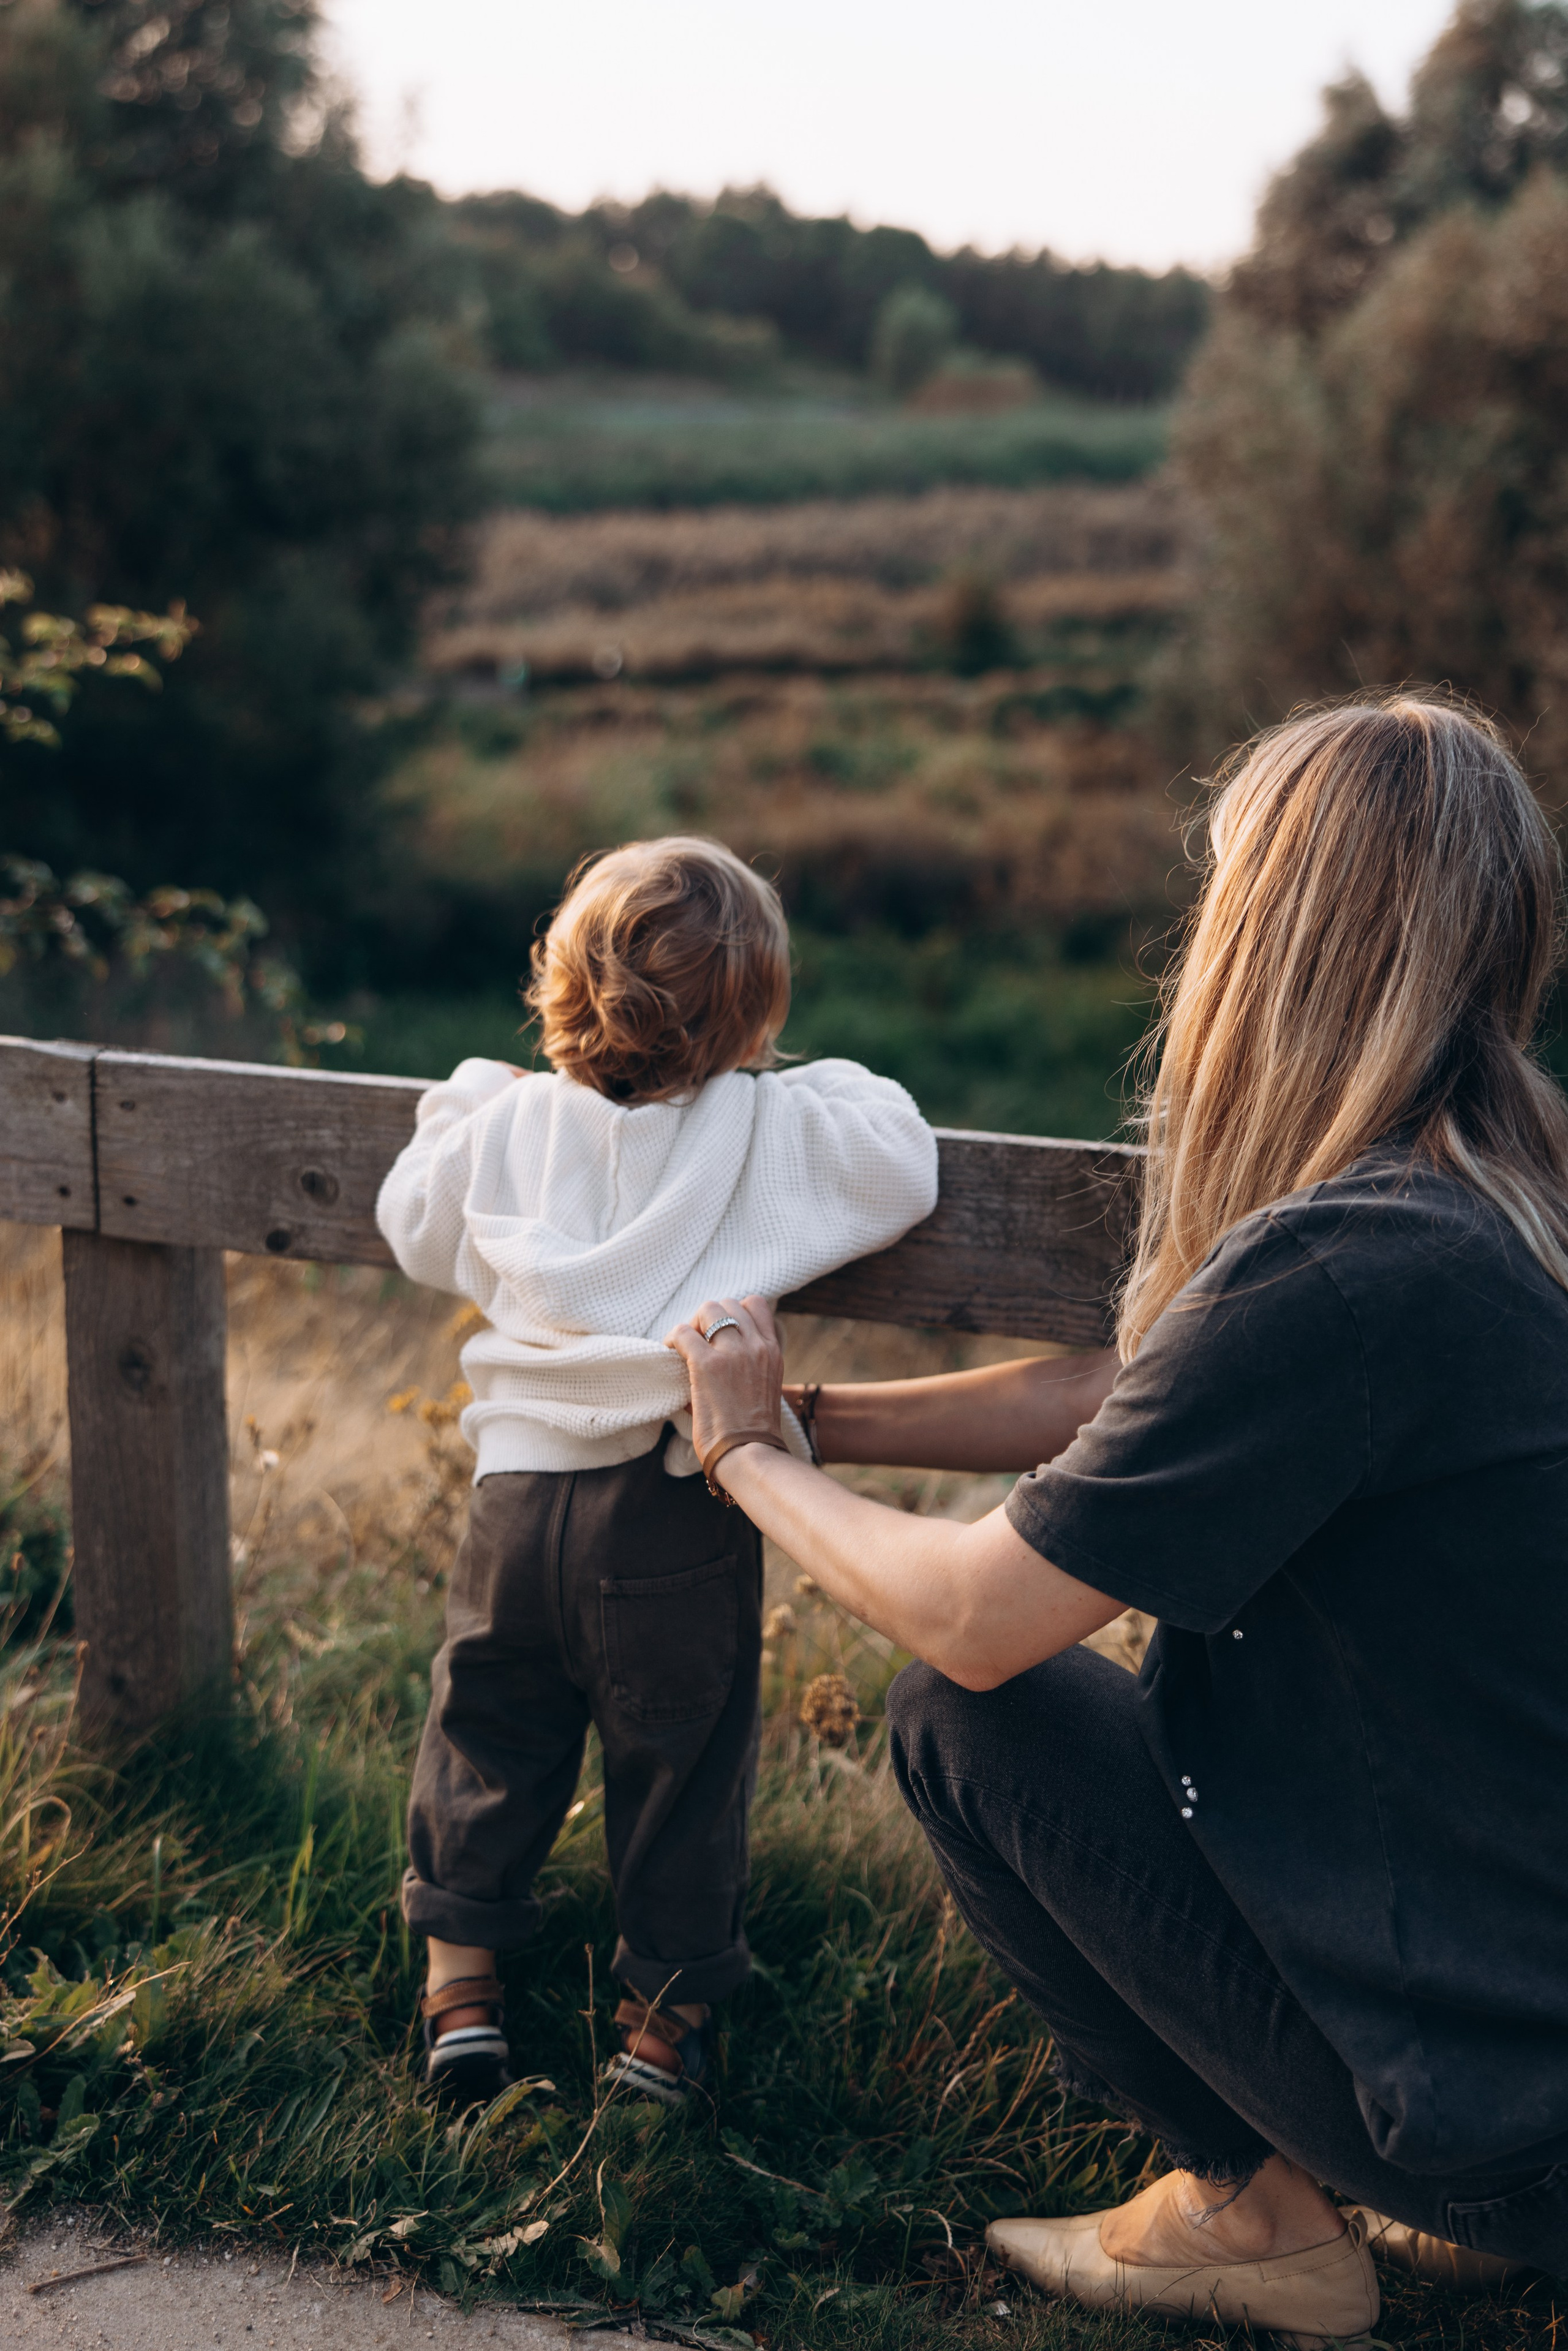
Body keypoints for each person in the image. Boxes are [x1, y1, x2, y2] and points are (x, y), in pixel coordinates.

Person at [668, 698, 1568, 2345]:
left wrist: (746, 1457)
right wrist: (836, 1417)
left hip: (1502, 2113)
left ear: (1271, 932)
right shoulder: (1498, 1187)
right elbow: (1137, 1387)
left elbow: (975, 1615)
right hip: (1531, 2022)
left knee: (968, 1713)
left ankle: (1257, 2208)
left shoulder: (1348, 1266)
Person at [376, 836, 937, 2107]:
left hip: (514, 1500)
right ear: (748, 1016)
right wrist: (771, 1066)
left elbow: (409, 1221)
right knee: (681, 1760)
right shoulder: (765, 1125)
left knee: (486, 1727)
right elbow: (903, 1153)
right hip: (671, 1497)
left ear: (561, 988)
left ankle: (459, 1990)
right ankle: (660, 2029)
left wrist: (474, 1093)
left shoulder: (510, 1123)